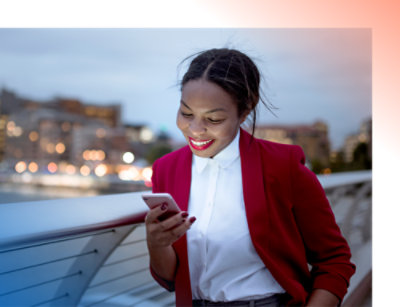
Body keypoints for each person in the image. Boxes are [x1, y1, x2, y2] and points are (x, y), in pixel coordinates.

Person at [145, 48, 355, 307]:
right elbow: (170, 278)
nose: (196, 130)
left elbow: (334, 261)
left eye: (213, 118)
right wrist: (157, 244)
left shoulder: (283, 167)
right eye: (186, 113)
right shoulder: (166, 169)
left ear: (245, 112)